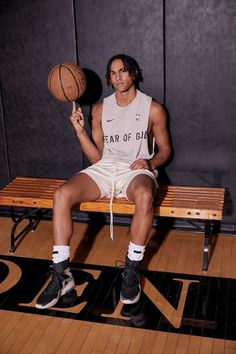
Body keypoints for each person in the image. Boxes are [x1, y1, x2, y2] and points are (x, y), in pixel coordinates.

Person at [36, 54, 171, 309]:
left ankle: (131, 270)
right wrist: (79, 131)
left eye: (123, 71)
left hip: (135, 169)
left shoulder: (152, 108)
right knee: (61, 195)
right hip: (106, 168)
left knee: (144, 195)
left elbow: (165, 150)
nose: (118, 76)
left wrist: (151, 163)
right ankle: (62, 273)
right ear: (109, 78)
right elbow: (97, 157)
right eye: (113, 73)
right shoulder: (99, 109)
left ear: (134, 74)